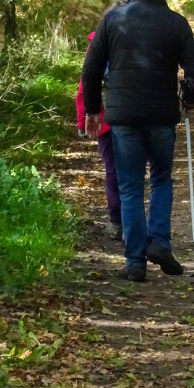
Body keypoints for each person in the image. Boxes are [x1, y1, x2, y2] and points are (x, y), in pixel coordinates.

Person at [81, 0, 194, 282]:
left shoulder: (114, 20)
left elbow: (91, 69)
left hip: (123, 117)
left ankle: (135, 262)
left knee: (131, 186)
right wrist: (188, 99)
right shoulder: (176, 23)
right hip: (162, 115)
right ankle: (160, 243)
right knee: (162, 180)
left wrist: (94, 110)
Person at [76, 30, 122, 241]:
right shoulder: (137, 37)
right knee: (132, 171)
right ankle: (130, 223)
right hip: (132, 115)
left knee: (113, 170)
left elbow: (85, 83)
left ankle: (117, 222)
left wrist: (82, 119)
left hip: (103, 117)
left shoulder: (98, 42)